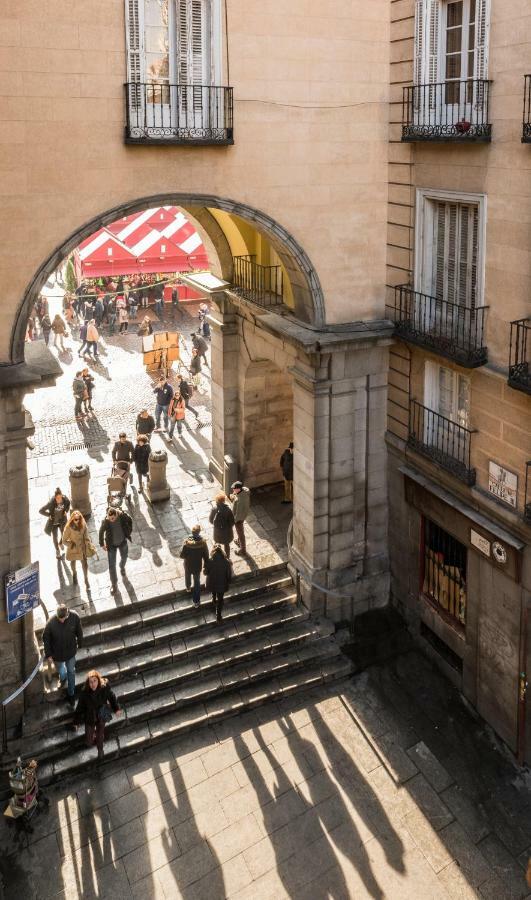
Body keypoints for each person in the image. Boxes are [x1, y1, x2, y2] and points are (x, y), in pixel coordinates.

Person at [73, 670, 122, 760]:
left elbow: (112, 696)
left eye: (95, 681)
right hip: (90, 717)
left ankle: (100, 749)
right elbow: (79, 708)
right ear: (88, 683)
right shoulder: (84, 693)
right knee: (89, 742)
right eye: (91, 682)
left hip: (101, 715)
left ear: (98, 680)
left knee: (100, 734)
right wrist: (76, 722)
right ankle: (92, 736)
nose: (93, 684)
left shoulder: (104, 687)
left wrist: (116, 708)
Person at [42, 604, 84, 707]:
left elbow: (79, 631)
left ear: (67, 614)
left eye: (63, 618)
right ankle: (63, 678)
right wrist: (49, 654)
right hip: (57, 655)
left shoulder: (74, 617)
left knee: (71, 672)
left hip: (70, 653)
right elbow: (46, 638)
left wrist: (80, 643)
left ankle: (71, 694)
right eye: (59, 618)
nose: (61, 620)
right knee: (61, 669)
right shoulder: (51, 622)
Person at [99, 507, 133, 594]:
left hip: (122, 542)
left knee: (124, 557)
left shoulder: (121, 516)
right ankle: (114, 584)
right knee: (111, 566)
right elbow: (101, 532)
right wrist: (102, 544)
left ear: (116, 515)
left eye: (113, 518)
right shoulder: (106, 521)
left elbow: (130, 520)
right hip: (111, 546)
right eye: (109, 518)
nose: (111, 520)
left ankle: (122, 566)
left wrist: (129, 531)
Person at [62, 510, 94, 591]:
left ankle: (86, 581)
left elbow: (86, 534)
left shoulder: (83, 524)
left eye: (79, 518)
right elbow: (64, 540)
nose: (77, 520)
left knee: (85, 564)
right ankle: (74, 573)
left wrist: (88, 542)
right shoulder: (68, 527)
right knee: (73, 563)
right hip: (73, 549)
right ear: (72, 519)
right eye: (76, 519)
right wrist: (71, 544)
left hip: (82, 548)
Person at [179, 524, 209, 608]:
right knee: (197, 583)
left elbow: (181, 555)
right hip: (197, 566)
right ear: (199, 532)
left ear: (192, 532)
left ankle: (188, 587)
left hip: (188, 565)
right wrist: (206, 565)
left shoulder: (186, 543)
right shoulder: (203, 543)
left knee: (187, 576)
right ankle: (196, 601)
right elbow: (206, 556)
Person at [39, 487, 71, 559]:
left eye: (60, 498)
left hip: (62, 521)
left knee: (64, 534)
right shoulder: (51, 503)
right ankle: (57, 550)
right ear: (55, 497)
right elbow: (41, 510)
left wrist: (66, 510)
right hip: (53, 523)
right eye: (57, 498)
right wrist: (49, 515)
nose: (59, 500)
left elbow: (69, 504)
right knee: (55, 537)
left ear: (62, 496)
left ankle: (60, 543)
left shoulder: (65, 499)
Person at [205, 545, 232, 623]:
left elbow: (205, 572)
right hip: (222, 584)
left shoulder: (210, 561)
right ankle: (218, 616)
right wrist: (229, 581)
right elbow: (228, 575)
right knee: (220, 600)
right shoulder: (226, 562)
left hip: (212, 583)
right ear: (222, 552)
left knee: (214, 590)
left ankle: (213, 599)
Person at [209, 492, 235, 559]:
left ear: (216, 500)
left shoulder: (214, 509)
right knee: (227, 545)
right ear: (224, 500)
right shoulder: (228, 510)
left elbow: (210, 520)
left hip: (217, 531)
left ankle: (214, 557)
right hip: (227, 532)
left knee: (216, 544)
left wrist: (217, 525)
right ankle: (227, 558)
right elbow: (232, 522)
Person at [230, 481, 251, 556]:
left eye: (234, 489)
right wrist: (234, 496)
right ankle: (239, 541)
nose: (233, 490)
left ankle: (243, 550)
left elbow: (238, 513)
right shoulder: (243, 491)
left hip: (239, 518)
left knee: (241, 533)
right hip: (242, 515)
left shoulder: (241, 500)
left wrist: (234, 521)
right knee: (240, 531)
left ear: (238, 489)